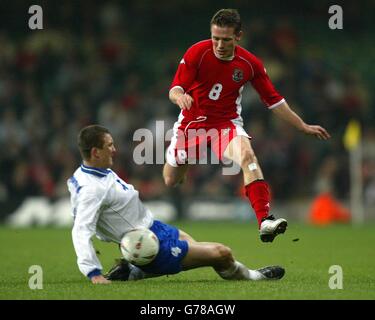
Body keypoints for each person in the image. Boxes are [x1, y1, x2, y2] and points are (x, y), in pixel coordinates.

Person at [163, 9, 331, 242]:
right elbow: (176, 87)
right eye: (215, 38)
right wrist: (179, 97)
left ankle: (265, 220)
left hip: (225, 124)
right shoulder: (197, 52)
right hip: (192, 124)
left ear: (238, 36)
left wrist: (301, 125)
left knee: (247, 156)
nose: (220, 45)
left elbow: (273, 100)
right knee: (172, 179)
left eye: (226, 39)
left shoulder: (249, 63)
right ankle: (184, 166)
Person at [67, 124, 285, 284]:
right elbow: (80, 230)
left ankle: (133, 271)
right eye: (109, 146)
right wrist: (93, 272)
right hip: (147, 243)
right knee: (221, 253)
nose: (114, 149)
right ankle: (256, 277)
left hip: (154, 228)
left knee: (196, 246)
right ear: (95, 152)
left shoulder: (91, 172)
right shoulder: (92, 189)